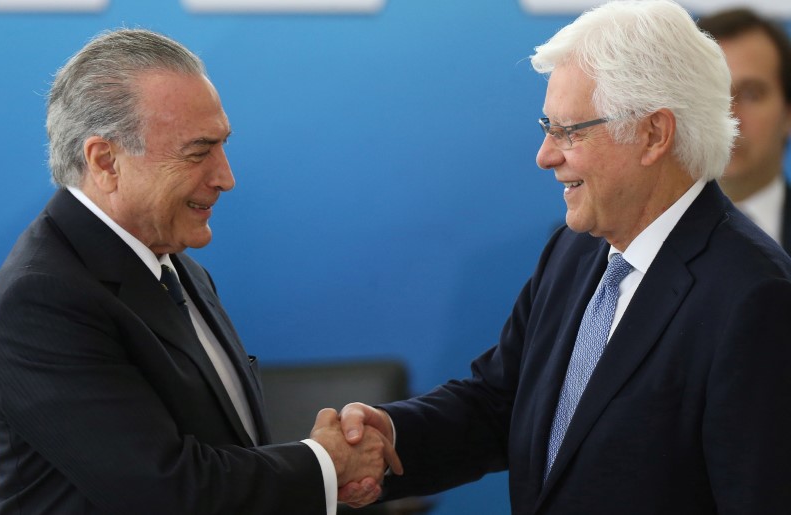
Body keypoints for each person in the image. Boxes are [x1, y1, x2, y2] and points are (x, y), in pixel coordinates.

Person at [337, 1, 791, 513]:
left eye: (569, 131)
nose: (545, 155)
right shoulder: (574, 250)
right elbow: (499, 403)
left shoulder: (757, 297)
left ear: (653, 134)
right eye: (546, 127)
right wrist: (389, 436)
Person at [0, 28, 399, 514]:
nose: (225, 177)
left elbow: (228, 451)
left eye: (223, 145)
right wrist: (324, 467)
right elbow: (164, 491)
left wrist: (323, 479)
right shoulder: (42, 299)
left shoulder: (178, 267)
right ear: (106, 161)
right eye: (198, 151)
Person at [697, 8, 791, 254]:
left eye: (751, 94)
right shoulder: (628, 240)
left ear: (788, 113)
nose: (730, 117)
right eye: (712, 94)